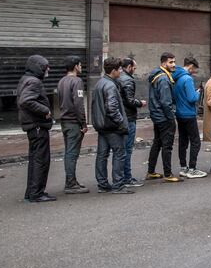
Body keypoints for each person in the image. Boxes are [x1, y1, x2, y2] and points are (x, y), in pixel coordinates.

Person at [17, 55, 55, 202]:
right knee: (41, 160)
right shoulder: (34, 81)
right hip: (37, 126)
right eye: (46, 66)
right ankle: (36, 193)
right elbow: (26, 101)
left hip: (33, 126)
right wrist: (45, 111)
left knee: (35, 160)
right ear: (38, 67)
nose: (48, 69)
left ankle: (32, 192)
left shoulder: (26, 79)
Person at [92, 57, 133, 194]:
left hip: (101, 125)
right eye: (119, 69)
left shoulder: (100, 83)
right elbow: (112, 108)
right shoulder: (110, 85)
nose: (121, 72)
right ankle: (118, 185)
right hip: (112, 126)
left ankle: (102, 184)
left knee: (102, 155)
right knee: (119, 154)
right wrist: (121, 122)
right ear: (114, 70)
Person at [57, 56, 89, 194]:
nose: (81, 67)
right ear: (76, 66)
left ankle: (72, 181)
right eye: (80, 65)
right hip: (73, 122)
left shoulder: (61, 81)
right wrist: (83, 123)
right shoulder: (77, 81)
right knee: (72, 153)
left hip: (64, 121)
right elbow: (78, 104)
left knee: (69, 151)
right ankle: (70, 184)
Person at [147, 52, 181, 182]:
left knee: (157, 143)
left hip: (157, 115)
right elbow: (166, 102)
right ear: (163, 63)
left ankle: (151, 171)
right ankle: (168, 174)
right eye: (171, 62)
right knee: (167, 146)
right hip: (164, 117)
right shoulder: (163, 79)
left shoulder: (157, 75)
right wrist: (171, 118)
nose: (174, 65)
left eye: (174, 62)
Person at [173, 57, 206, 179]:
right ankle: (192, 168)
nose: (195, 72)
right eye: (195, 69)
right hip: (189, 114)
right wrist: (197, 92)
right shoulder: (187, 79)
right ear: (191, 66)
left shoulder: (176, 77)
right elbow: (192, 98)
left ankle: (183, 167)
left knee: (183, 141)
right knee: (195, 141)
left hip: (179, 113)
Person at [118, 57, 146, 187]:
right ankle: (127, 178)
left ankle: (123, 177)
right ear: (128, 67)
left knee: (122, 150)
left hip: (121, 117)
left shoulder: (118, 78)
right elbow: (129, 100)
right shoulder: (128, 80)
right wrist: (140, 103)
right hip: (128, 118)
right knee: (127, 150)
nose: (134, 70)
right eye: (134, 68)